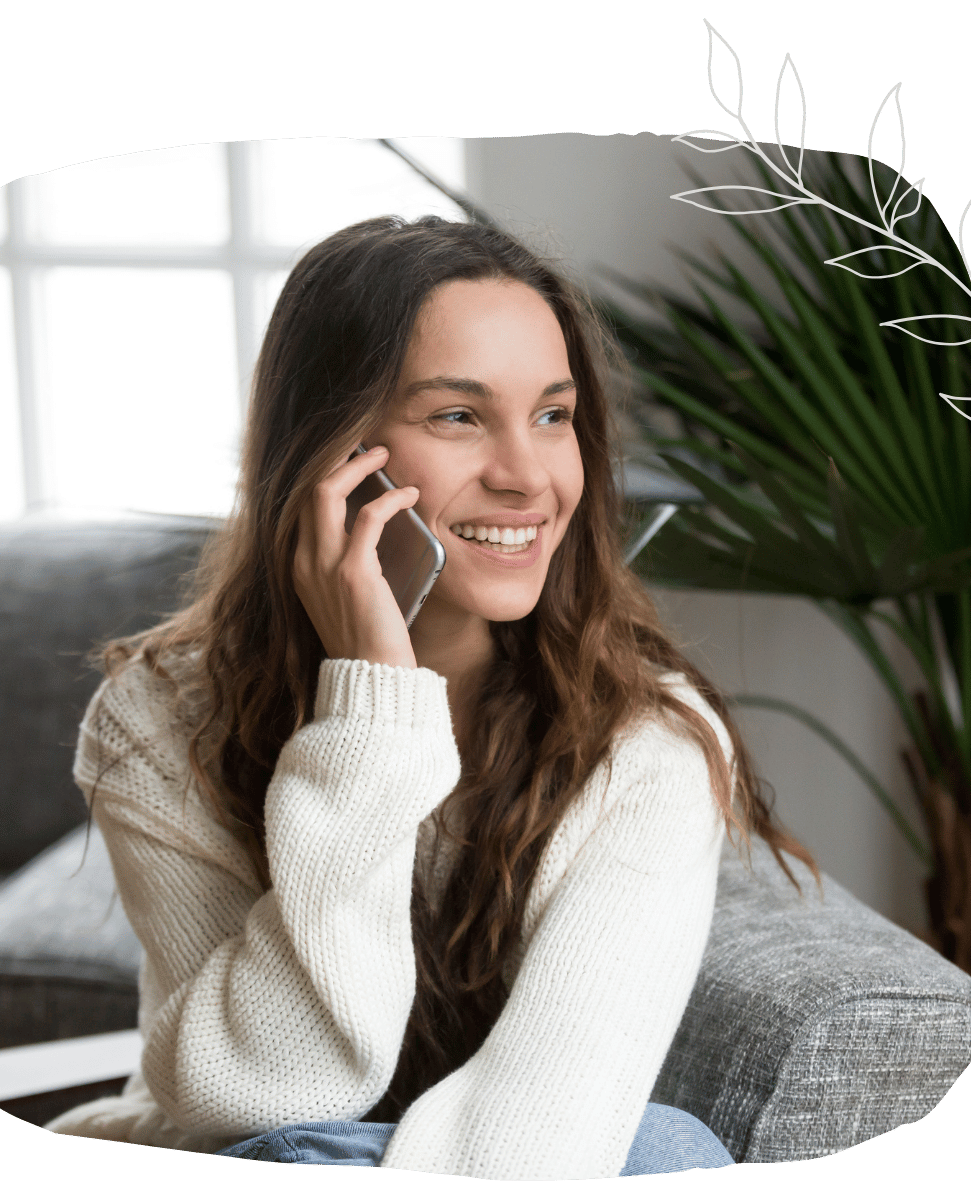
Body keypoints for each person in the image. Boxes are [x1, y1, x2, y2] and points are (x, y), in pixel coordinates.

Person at [45, 215, 814, 1179]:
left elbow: (541, 1131)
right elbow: (262, 1091)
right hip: (241, 1155)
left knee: (665, 1147)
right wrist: (371, 708)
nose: (527, 478)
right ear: (332, 454)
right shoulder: (158, 717)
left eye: (554, 416)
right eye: (458, 416)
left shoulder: (647, 744)